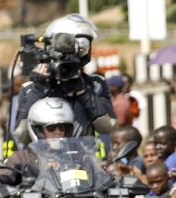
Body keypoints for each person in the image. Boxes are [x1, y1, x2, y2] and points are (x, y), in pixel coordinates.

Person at [12, 14, 115, 143]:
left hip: (82, 160)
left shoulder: (95, 84)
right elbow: (22, 134)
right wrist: (39, 89)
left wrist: (83, 92)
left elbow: (108, 126)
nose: (75, 55)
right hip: (44, 160)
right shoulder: (31, 88)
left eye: (82, 47)